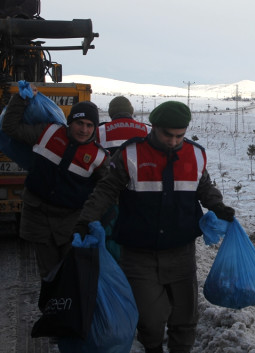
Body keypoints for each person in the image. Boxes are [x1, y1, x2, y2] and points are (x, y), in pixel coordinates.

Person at [74, 101, 235, 353]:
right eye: (167, 135)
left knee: (185, 318)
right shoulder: (130, 153)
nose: (173, 141)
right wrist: (86, 220)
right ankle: (152, 348)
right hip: (139, 254)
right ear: (154, 127)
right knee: (150, 318)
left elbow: (204, 188)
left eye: (179, 136)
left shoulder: (195, 154)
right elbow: (105, 190)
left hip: (181, 253)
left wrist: (218, 206)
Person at [1, 89, 108, 279]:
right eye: (79, 123)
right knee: (49, 276)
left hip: (71, 224)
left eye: (90, 125)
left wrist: (96, 220)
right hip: (38, 217)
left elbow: (106, 191)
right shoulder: (48, 133)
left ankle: (69, 308)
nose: (84, 129)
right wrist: (20, 100)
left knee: (72, 275)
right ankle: (51, 308)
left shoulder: (98, 157)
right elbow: (10, 128)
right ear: (70, 122)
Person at [96, 96, 149, 260]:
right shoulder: (149, 130)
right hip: (142, 194)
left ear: (111, 113)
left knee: (112, 238)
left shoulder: (100, 131)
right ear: (131, 112)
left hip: (111, 195)